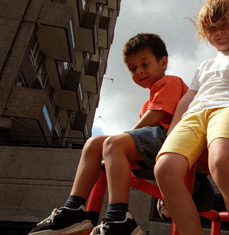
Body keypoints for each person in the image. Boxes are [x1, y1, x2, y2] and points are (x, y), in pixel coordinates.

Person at [29, 33, 188, 235]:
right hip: (156, 145)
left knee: (113, 144)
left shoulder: (170, 82)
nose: (138, 71)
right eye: (133, 68)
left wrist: (118, 142)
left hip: (173, 138)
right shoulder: (147, 103)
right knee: (94, 144)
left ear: (163, 63)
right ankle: (73, 209)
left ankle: (118, 216)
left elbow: (157, 116)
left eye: (144, 65)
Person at [154, 0, 229, 235]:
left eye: (224, 25)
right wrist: (173, 130)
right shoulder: (205, 66)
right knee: (164, 168)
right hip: (197, 112)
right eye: (212, 29)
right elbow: (187, 99)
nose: (218, 33)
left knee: (219, 160)